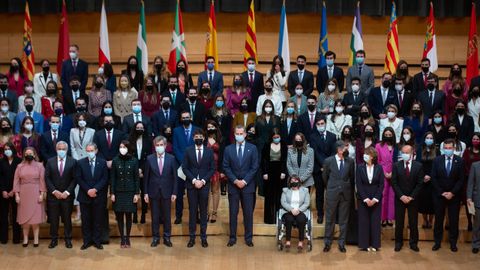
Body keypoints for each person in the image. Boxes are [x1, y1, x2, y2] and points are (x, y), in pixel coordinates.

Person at [223, 125, 259, 247]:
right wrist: (234, 180)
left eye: (240, 133)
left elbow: (254, 167)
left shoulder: (252, 148)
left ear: (245, 134)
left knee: (248, 213)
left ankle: (248, 238)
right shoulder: (228, 149)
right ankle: (232, 237)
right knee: (233, 213)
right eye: (236, 133)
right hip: (233, 186)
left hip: (247, 186)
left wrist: (244, 181)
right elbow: (226, 167)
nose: (238, 135)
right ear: (234, 135)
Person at [182, 130, 215, 248]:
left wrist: (203, 181)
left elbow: (212, 169)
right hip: (192, 186)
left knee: (204, 211)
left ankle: (203, 237)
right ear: (193, 138)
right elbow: (185, 168)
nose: (199, 138)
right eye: (196, 137)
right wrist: (194, 180)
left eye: (201, 136)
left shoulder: (209, 151)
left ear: (204, 138)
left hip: (204, 186)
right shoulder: (188, 150)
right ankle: (192, 237)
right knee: (192, 212)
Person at [431, 139, 465, 252]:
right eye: (446, 148)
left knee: (454, 220)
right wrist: (442, 192)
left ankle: (453, 243)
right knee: (439, 220)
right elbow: (434, 178)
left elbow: (461, 179)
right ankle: (437, 242)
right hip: (439, 195)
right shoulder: (437, 160)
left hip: (454, 196)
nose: (448, 150)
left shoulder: (460, 161)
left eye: (450, 148)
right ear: (443, 148)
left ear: (454, 148)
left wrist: (452, 193)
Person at [144, 136, 178, 248]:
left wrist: (174, 192)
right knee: (155, 216)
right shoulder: (149, 159)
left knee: (167, 216)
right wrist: (145, 193)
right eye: (157, 145)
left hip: (167, 191)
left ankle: (167, 237)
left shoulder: (171, 158)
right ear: (154, 147)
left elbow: (175, 177)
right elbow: (146, 178)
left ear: (165, 145)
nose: (159, 147)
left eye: (161, 145)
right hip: (153, 192)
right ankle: (155, 238)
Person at [322, 140, 355, 253]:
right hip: (332, 193)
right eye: (344, 148)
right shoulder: (328, 161)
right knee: (330, 219)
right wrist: (332, 187)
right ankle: (327, 243)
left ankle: (341, 243)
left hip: (345, 194)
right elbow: (325, 178)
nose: (346, 150)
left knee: (343, 220)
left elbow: (352, 178)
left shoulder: (350, 161)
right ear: (338, 149)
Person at [391, 145, 424, 252]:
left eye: (406, 152)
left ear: (412, 153)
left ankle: (413, 243)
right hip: (400, 198)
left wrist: (411, 197)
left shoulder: (418, 166)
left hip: (413, 199)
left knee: (413, 222)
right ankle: (398, 242)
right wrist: (401, 196)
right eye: (403, 152)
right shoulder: (396, 165)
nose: (404, 154)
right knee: (399, 222)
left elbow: (420, 184)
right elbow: (394, 182)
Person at [76, 143, 108, 250]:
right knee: (86, 220)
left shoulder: (103, 163)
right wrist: (88, 190)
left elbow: (104, 178)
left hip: (98, 196)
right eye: (88, 151)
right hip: (85, 196)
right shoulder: (80, 163)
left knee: (98, 220)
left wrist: (95, 189)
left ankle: (97, 241)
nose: (90, 152)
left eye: (92, 150)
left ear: (96, 150)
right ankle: (86, 241)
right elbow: (79, 178)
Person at [45, 141, 76, 249]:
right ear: (56, 149)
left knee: (67, 219)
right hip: (53, 196)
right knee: (53, 219)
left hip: (67, 196)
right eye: (59, 149)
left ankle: (68, 239)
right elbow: (47, 178)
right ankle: (54, 239)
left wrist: (67, 192)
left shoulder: (73, 162)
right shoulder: (50, 161)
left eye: (63, 149)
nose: (61, 151)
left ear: (67, 150)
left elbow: (74, 179)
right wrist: (54, 191)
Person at [13, 147, 46, 247]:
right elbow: (16, 181)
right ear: (24, 155)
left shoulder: (40, 166)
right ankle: (25, 239)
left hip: (35, 193)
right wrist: (17, 195)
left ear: (34, 154)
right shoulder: (19, 166)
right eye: (26, 153)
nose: (28, 155)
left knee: (35, 219)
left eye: (30, 153)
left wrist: (42, 194)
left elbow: (42, 181)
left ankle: (36, 239)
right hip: (23, 194)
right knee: (24, 219)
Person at [110, 140, 140, 248]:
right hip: (118, 192)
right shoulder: (115, 160)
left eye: (124, 147)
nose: (122, 148)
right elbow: (112, 178)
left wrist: (137, 193)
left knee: (128, 216)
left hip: (130, 192)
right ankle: (122, 238)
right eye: (120, 146)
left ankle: (128, 238)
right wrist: (112, 193)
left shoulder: (134, 161)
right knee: (119, 216)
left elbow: (136, 178)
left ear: (128, 148)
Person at [173, 111, 199, 224]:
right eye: (183, 118)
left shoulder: (197, 130)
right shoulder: (176, 130)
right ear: (181, 119)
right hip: (180, 166)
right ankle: (179, 216)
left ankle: (195, 216)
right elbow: (175, 148)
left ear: (191, 118)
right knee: (179, 193)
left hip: (194, 166)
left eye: (187, 117)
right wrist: (183, 162)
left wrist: (191, 162)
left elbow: (199, 146)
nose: (185, 119)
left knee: (194, 193)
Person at [356, 146, 384, 252]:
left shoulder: (379, 168)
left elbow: (381, 185)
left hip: (376, 199)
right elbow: (359, 184)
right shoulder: (360, 167)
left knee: (375, 222)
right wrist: (366, 199)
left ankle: (375, 244)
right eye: (364, 154)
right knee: (364, 222)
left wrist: (375, 198)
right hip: (363, 199)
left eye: (367, 154)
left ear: (372, 156)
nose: (365, 156)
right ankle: (364, 244)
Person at [309, 117, 336, 223]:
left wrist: (327, 166)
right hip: (318, 169)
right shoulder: (313, 137)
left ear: (325, 123)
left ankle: (330, 215)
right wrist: (323, 165)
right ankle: (320, 214)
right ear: (316, 125)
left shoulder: (332, 136)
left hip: (330, 170)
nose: (321, 125)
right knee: (319, 193)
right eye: (318, 124)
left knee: (330, 194)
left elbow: (334, 152)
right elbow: (315, 152)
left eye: (322, 123)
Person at [69, 113, 95, 221]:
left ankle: (88, 212)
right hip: (76, 161)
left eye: (83, 119)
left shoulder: (92, 131)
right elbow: (72, 146)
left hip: (88, 159)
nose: (81, 121)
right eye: (79, 119)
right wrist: (76, 159)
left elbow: (92, 146)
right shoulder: (72, 131)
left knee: (87, 184)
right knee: (77, 186)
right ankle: (79, 212)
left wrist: (87, 158)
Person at [261, 129, 287, 224]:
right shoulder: (267, 145)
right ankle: (269, 219)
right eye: (275, 137)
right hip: (269, 173)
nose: (276, 139)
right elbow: (263, 160)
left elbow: (285, 159)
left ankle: (279, 218)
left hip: (280, 173)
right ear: (271, 137)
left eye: (278, 137)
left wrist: (283, 172)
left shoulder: (283, 145)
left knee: (279, 195)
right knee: (269, 196)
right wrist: (265, 173)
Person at [128, 122, 152, 224]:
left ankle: (143, 214)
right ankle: (134, 214)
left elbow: (149, 157)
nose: (139, 129)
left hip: (144, 170)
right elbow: (129, 156)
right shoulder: (130, 140)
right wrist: (135, 169)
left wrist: (141, 169)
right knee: (134, 192)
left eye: (141, 127)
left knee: (144, 192)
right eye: (137, 127)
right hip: (133, 169)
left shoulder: (148, 141)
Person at [280, 175, 310, 251]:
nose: (294, 182)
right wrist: (291, 209)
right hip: (289, 211)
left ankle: (301, 241)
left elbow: (307, 203)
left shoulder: (305, 190)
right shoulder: (286, 190)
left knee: (301, 220)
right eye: (292, 181)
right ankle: (288, 241)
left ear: (299, 181)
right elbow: (283, 202)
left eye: (296, 180)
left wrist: (299, 210)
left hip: (301, 210)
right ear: (289, 182)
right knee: (289, 219)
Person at [376, 127, 398, 226]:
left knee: (392, 196)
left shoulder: (396, 147)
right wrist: (385, 172)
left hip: (394, 173)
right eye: (386, 135)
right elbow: (377, 161)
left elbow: (398, 161)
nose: (388, 136)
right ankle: (382, 218)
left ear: (393, 135)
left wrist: (392, 172)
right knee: (383, 195)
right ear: (383, 135)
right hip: (382, 173)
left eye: (390, 135)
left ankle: (390, 218)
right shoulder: (378, 146)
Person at [0, 143, 21, 244]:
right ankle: (3, 238)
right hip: (3, 192)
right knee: (3, 215)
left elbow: (21, 177)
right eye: (5, 149)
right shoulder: (1, 161)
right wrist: (3, 190)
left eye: (9, 149)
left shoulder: (19, 161)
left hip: (15, 192)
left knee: (16, 215)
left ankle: (16, 238)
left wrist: (14, 190)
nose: (7, 151)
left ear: (13, 149)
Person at [416, 132, 437, 229]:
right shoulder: (420, 150)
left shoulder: (437, 151)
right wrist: (423, 176)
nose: (429, 139)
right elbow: (418, 165)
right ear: (424, 139)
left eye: (431, 138)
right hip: (422, 180)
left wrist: (431, 176)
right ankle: (425, 220)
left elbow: (437, 166)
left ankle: (431, 221)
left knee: (432, 203)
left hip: (433, 180)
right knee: (423, 202)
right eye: (427, 137)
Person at [204, 121, 223, 223]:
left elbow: (223, 154)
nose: (210, 128)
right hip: (205, 169)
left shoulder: (220, 139)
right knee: (206, 192)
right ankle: (206, 213)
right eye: (208, 127)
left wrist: (222, 170)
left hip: (216, 168)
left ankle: (214, 213)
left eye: (212, 126)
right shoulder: (203, 139)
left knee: (215, 191)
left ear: (216, 127)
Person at [462, 133, 480, 232]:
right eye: (474, 139)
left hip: (479, 181)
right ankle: (470, 222)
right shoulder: (467, 151)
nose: (475, 141)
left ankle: (477, 222)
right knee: (468, 201)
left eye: (477, 139)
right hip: (468, 180)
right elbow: (464, 164)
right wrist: (470, 174)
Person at [467, 159, 480, 254]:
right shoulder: (475, 165)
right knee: (477, 224)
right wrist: (469, 197)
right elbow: (470, 183)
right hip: (477, 199)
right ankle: (476, 244)